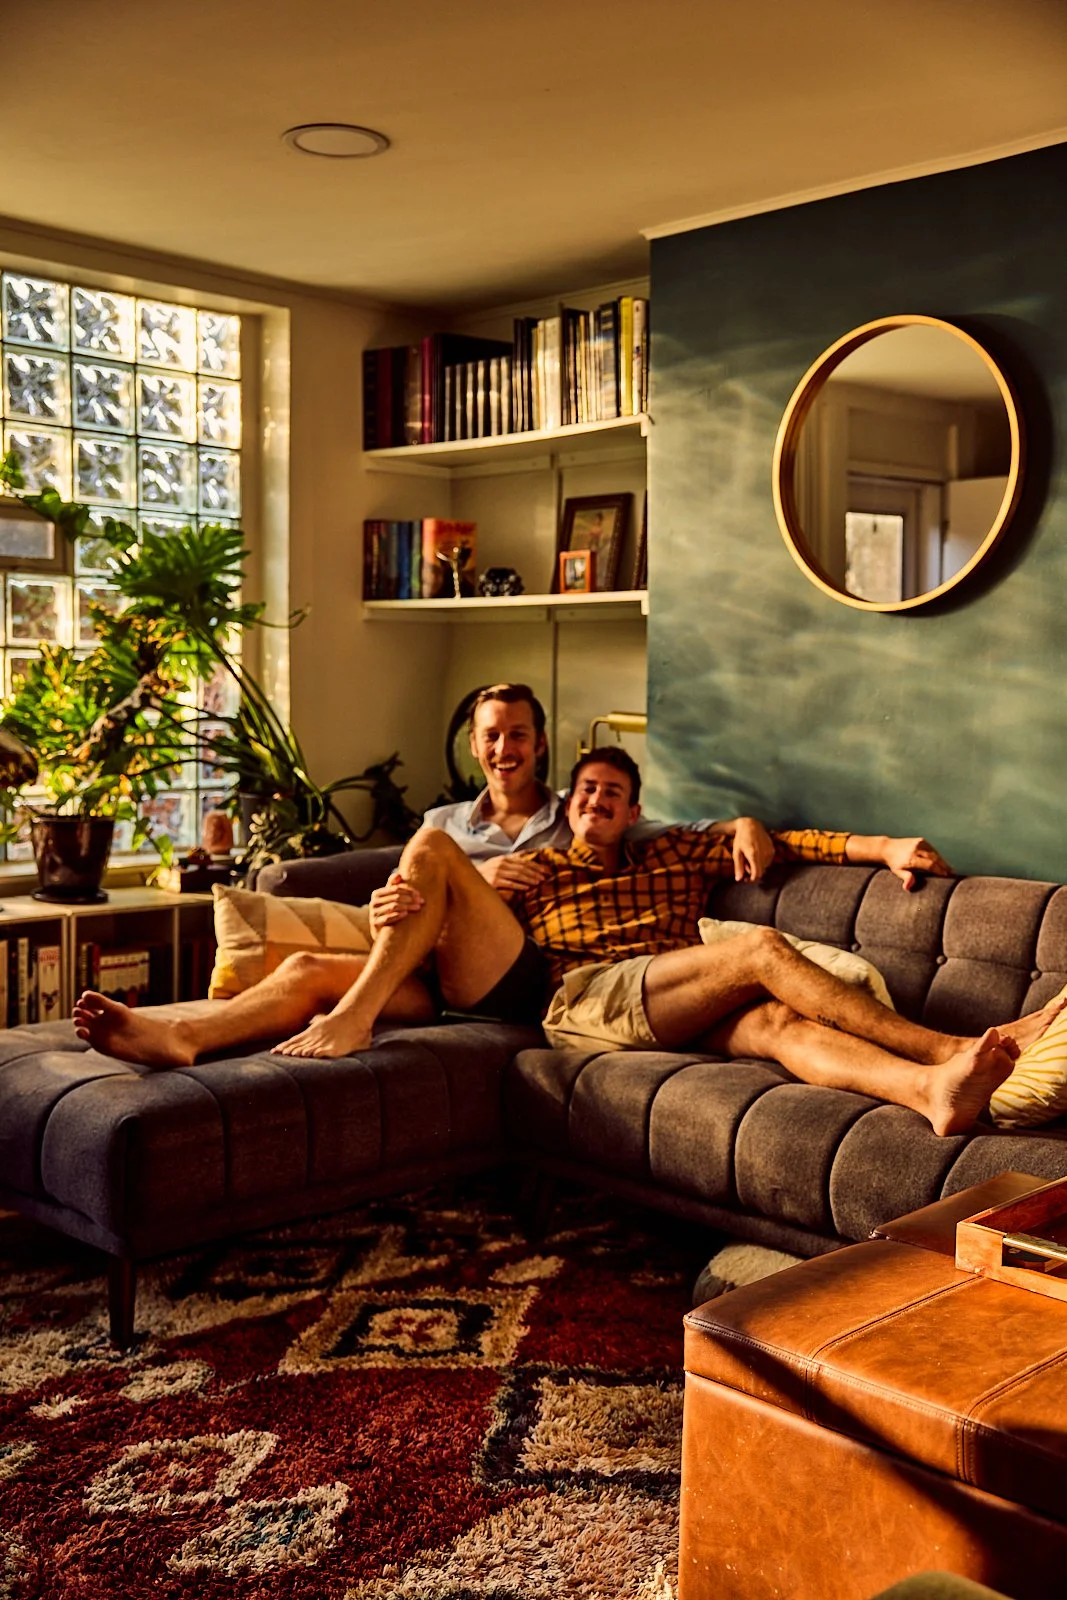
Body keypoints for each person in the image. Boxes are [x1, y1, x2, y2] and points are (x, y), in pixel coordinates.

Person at [72, 749, 1060, 1137]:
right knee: (315, 953)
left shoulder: (674, 854)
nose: (596, 804)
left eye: (614, 795)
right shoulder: (530, 871)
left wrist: (883, 844)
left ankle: (929, 1089)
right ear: (567, 802)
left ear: (632, 810)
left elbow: (794, 841)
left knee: (769, 1021)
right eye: (584, 791)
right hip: (578, 995)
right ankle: (186, 1037)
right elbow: (440, 907)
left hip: (662, 996)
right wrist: (400, 905)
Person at [424, 681, 775, 890]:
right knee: (423, 852)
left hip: (507, 965)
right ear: (473, 745)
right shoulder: (442, 822)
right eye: (491, 737)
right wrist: (478, 879)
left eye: (518, 735)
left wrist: (743, 824)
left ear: (540, 744)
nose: (503, 750)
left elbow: (674, 830)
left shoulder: (578, 815)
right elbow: (404, 893)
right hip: (434, 950)